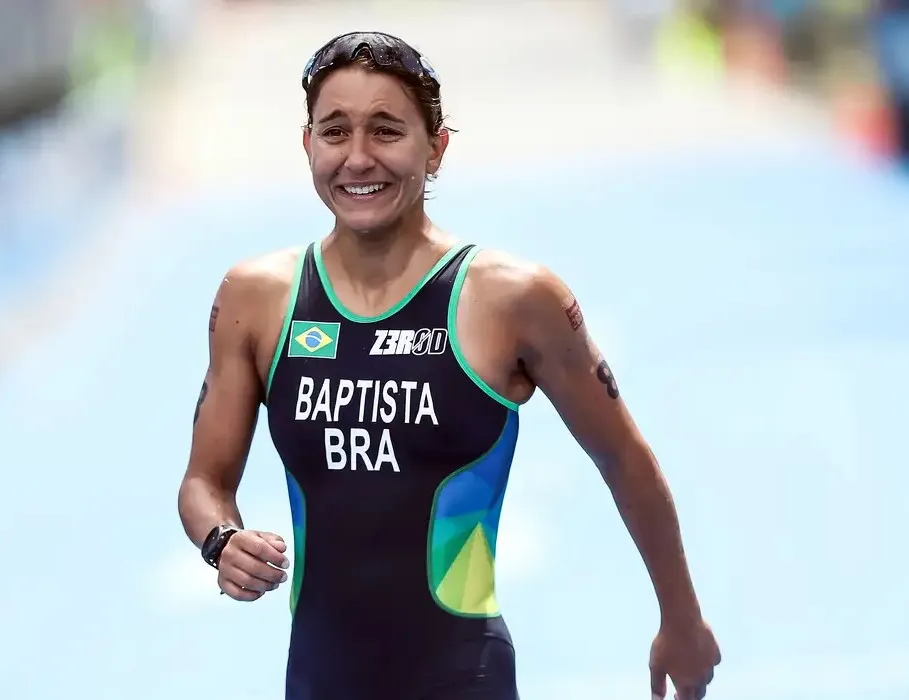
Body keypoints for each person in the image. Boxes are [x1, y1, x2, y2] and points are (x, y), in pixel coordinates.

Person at [177, 31, 721, 700]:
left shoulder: (511, 298)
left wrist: (681, 618)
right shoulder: (256, 299)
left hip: (461, 675)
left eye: (385, 131)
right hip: (318, 678)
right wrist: (220, 541)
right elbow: (203, 482)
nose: (356, 158)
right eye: (334, 131)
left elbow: (624, 458)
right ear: (306, 144)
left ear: (436, 147)